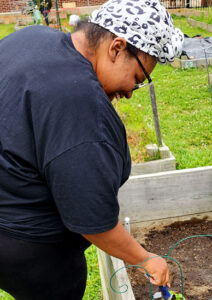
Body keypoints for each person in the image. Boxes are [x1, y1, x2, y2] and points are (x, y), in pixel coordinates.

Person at [0, 0, 184, 299]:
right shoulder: (82, 106)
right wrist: (145, 258)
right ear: (116, 48)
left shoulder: (31, 37)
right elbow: (91, 217)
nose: (128, 92)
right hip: (30, 248)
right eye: (137, 79)